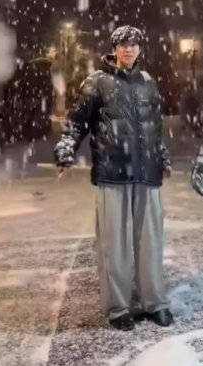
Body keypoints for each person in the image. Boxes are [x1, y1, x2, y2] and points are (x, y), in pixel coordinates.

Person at [54, 26, 174, 331]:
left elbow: (154, 129)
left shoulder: (149, 83)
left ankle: (154, 303)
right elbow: (77, 122)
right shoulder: (97, 82)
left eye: (134, 44)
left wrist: (162, 157)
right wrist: (67, 147)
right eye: (124, 45)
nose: (129, 50)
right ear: (114, 48)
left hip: (147, 175)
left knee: (151, 244)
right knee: (114, 245)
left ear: (140, 49)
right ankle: (119, 308)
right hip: (113, 173)